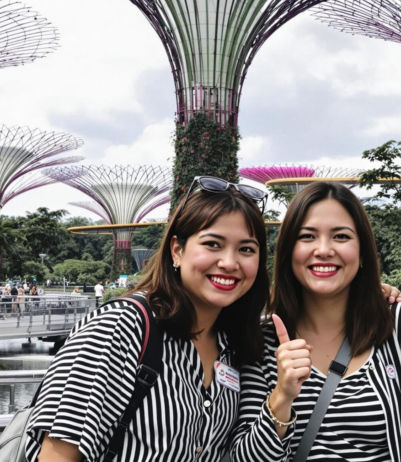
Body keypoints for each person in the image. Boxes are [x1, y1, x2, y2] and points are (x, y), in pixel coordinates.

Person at [24, 176, 270, 462]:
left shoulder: (232, 344)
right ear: (177, 250)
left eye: (246, 249)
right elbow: (58, 456)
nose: (230, 263)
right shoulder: (120, 327)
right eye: (213, 244)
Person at [230, 181, 401, 462]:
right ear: (289, 251)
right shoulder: (263, 341)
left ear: (362, 251)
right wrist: (281, 397)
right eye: (307, 237)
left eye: (340, 237)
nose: (324, 250)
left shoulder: (400, 327)